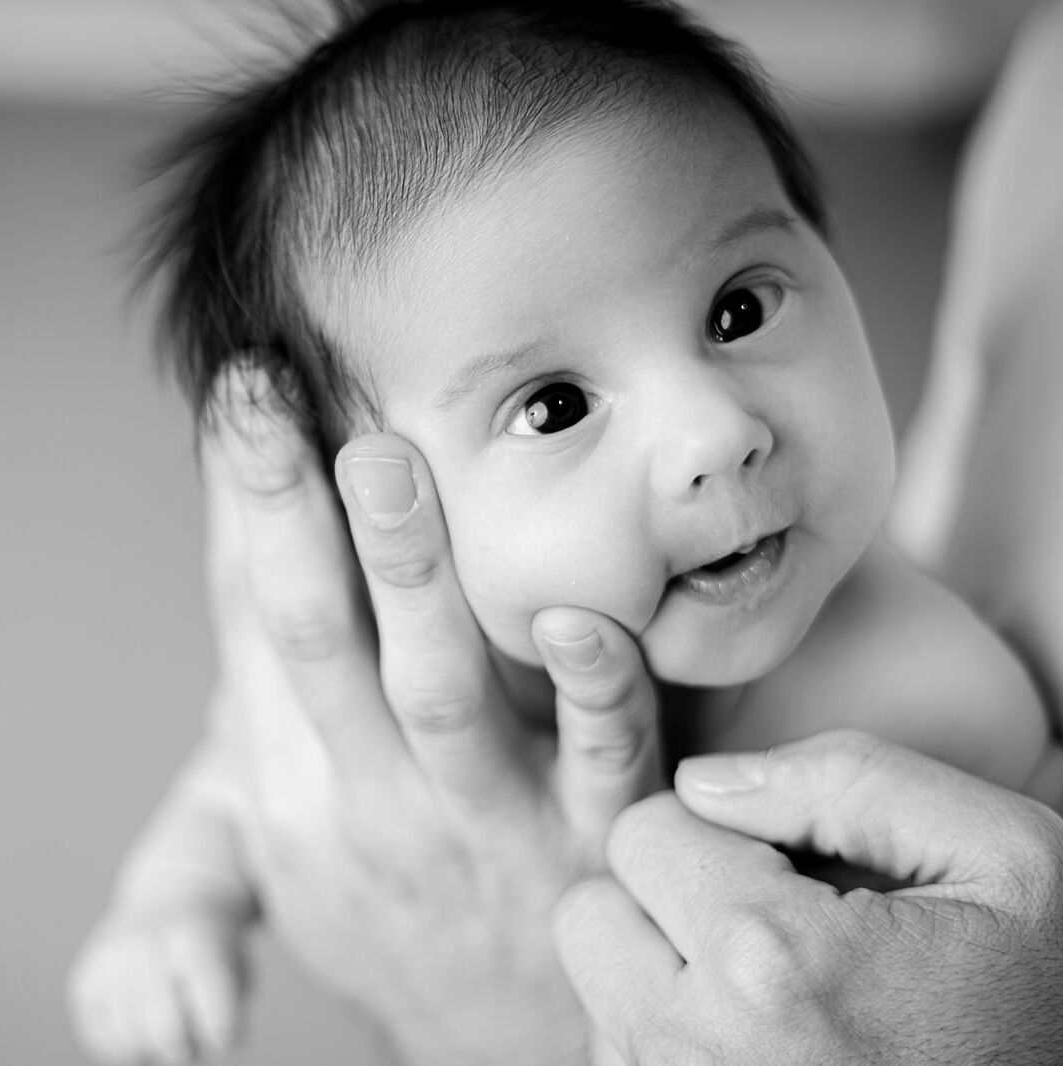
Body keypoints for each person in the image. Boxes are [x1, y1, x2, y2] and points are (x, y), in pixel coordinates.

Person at [68, 1, 1059, 1061]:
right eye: (553, 407)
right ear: (377, 519)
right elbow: (236, 785)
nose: (715, 434)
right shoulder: (404, 694)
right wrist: (169, 905)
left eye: (740, 310)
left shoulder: (927, 695)